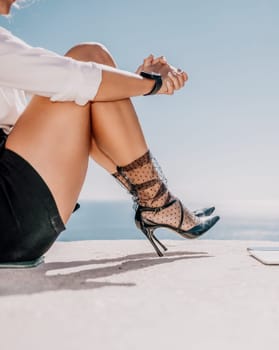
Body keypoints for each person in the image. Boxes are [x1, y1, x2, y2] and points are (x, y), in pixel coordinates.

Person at [0, 0, 220, 262]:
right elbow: (76, 78)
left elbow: (75, 98)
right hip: (11, 220)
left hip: (14, 216)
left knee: (89, 76)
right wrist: (151, 84)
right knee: (89, 57)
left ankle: (157, 202)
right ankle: (159, 204)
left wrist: (128, 83)